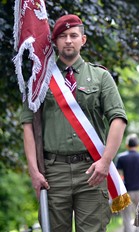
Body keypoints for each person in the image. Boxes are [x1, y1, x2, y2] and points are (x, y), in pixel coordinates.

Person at [21, 14, 127, 231]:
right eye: (62, 36)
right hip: (52, 172)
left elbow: (118, 119)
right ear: (54, 41)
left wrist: (106, 161)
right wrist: (33, 170)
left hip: (92, 170)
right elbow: (28, 125)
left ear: (83, 40)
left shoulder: (101, 77)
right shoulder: (39, 79)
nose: (68, 40)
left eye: (73, 35)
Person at [115, 133, 139, 232]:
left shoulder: (121, 157)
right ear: (137, 145)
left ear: (127, 145)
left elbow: (119, 175)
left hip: (126, 190)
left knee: (126, 217)